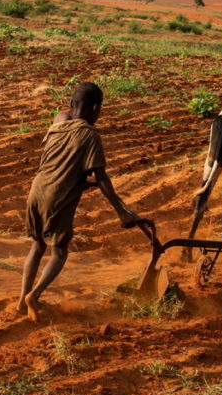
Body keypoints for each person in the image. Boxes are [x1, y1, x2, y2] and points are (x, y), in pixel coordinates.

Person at [17, 82, 150, 321]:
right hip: (57, 197)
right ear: (96, 108)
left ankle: (21, 301)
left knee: (37, 245)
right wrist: (122, 212)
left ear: (71, 103)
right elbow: (102, 179)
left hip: (36, 190)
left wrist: (79, 181)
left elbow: (63, 160)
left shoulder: (59, 119)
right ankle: (34, 296)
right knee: (59, 253)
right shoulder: (90, 135)